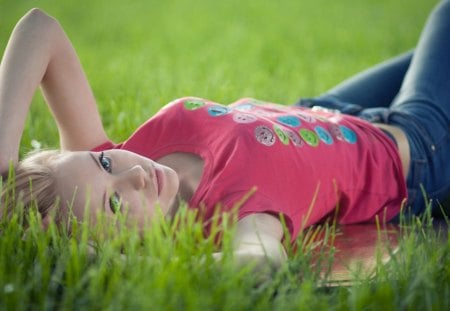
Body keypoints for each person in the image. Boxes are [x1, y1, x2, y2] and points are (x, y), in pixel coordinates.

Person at [0, 1, 449, 271]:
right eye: (115, 204)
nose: (133, 174)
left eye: (102, 164)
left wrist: (2, 161)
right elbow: (258, 262)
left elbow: (41, 29)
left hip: (321, 109)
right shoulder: (233, 218)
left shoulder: (120, 157)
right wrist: (126, 264)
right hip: (411, 147)